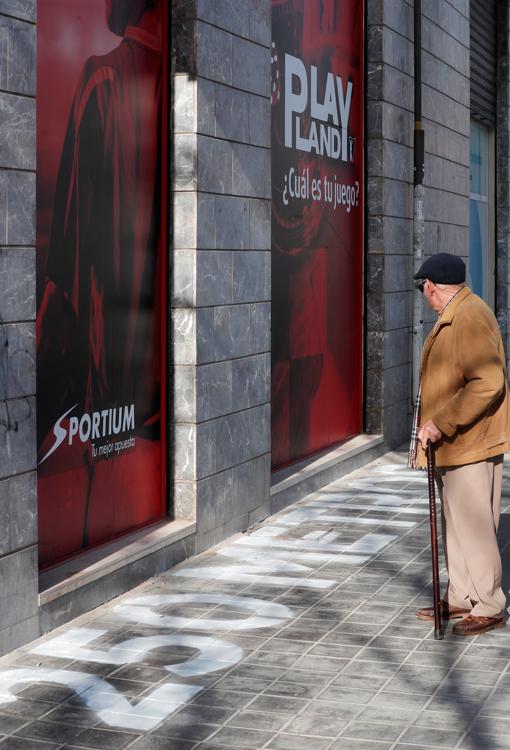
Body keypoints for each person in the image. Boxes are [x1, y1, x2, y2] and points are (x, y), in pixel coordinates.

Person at [410, 252, 510, 636]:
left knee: (475, 524)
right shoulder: (459, 313)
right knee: (457, 523)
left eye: (424, 290)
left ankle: (489, 603)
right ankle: (462, 595)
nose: (425, 297)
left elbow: (488, 381)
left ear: (431, 287)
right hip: (455, 443)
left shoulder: (468, 317)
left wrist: (441, 422)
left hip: (468, 441)